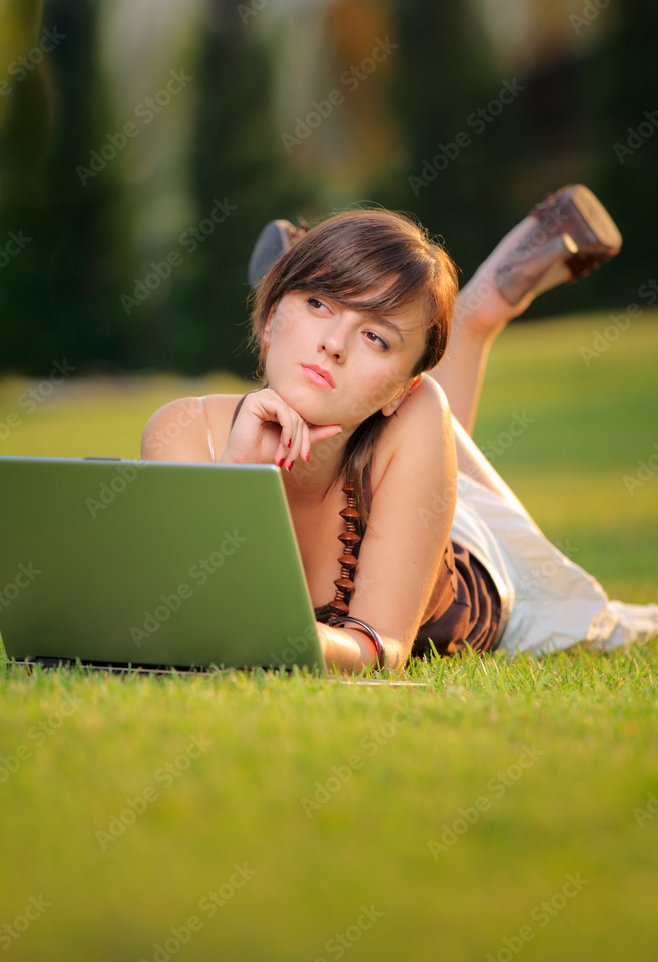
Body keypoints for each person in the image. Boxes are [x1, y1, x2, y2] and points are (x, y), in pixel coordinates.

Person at [141, 185, 658, 675]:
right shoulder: (182, 434)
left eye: (374, 336)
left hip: (484, 568)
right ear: (271, 318)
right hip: (398, 464)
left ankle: (472, 314)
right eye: (318, 303)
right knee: (411, 398)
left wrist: (297, 638)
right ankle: (455, 312)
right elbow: (189, 614)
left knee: (596, 619)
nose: (334, 343)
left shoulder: (416, 407)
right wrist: (237, 483)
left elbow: (382, 646)